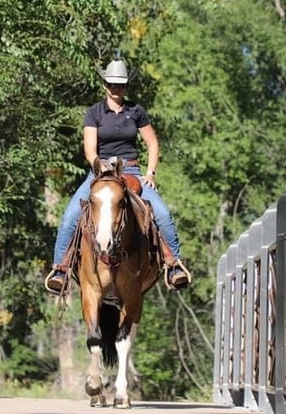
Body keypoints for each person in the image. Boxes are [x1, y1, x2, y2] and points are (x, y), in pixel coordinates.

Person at [45, 57, 191, 294]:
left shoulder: (136, 111)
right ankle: (61, 269)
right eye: (112, 84)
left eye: (121, 85)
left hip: (131, 170)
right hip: (100, 173)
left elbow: (153, 144)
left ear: (126, 87)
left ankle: (174, 266)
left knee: (162, 213)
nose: (116, 89)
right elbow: (90, 150)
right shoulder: (94, 113)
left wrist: (150, 173)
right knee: (71, 214)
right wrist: (98, 166)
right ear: (105, 84)